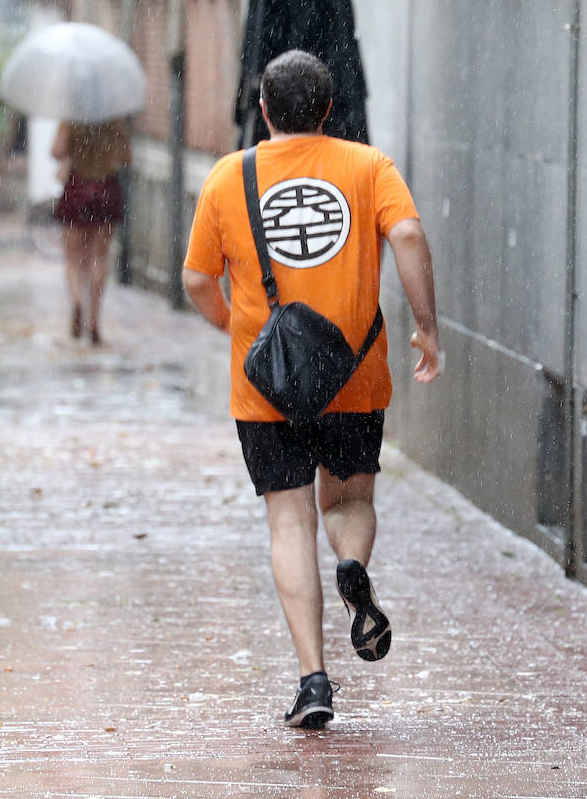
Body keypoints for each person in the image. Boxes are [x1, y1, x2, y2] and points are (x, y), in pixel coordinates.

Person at [182, 50, 442, 730]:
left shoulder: (227, 178)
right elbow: (409, 233)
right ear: (330, 110)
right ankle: (352, 565)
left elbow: (196, 280)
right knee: (349, 498)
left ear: (263, 110)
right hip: (353, 376)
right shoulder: (367, 167)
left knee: (288, 518)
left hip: (267, 388)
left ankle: (313, 680)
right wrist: (428, 329)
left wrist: (238, 332)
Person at [51, 118, 131, 345]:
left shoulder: (71, 118)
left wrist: (75, 149)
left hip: (76, 187)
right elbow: (126, 157)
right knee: (99, 256)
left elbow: (56, 151)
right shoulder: (114, 120)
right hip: (106, 189)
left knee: (73, 259)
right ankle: (94, 319)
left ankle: (77, 302)